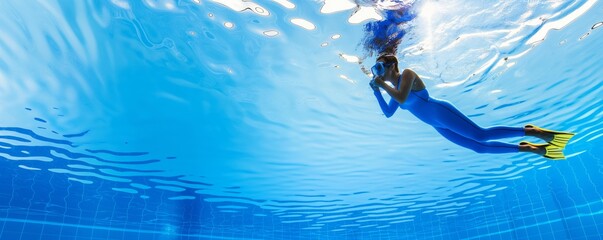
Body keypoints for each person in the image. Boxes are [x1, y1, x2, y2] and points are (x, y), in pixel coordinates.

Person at [369, 53, 575, 159]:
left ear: (392, 66)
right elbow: (388, 113)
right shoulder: (392, 88)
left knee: (481, 135)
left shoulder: (407, 74)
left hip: (440, 111)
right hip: (437, 125)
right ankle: (529, 149)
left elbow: (403, 98)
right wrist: (377, 91)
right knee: (478, 147)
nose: (378, 73)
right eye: (375, 69)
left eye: (379, 67)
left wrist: (382, 86)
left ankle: (531, 131)